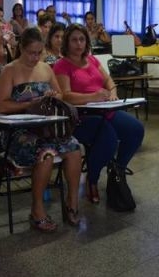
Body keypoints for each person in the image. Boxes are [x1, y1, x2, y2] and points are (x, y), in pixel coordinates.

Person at [0, 27, 82, 231]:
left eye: (39, 53)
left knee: (74, 148)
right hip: (18, 131)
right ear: (21, 49)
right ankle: (37, 209)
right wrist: (28, 104)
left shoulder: (45, 68)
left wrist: (52, 96)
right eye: (31, 53)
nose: (35, 57)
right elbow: (2, 106)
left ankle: (72, 202)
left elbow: (60, 95)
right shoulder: (10, 71)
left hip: (45, 128)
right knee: (47, 153)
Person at [54, 24, 144, 205]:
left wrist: (112, 91)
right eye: (74, 40)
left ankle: (117, 170)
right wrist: (92, 96)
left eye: (82, 39)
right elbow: (65, 96)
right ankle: (92, 180)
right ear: (67, 42)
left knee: (136, 130)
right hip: (81, 116)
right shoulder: (61, 65)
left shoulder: (92, 60)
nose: (79, 44)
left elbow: (108, 80)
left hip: (104, 110)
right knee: (108, 138)